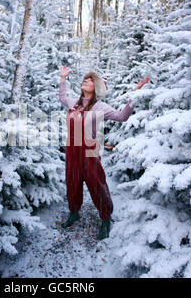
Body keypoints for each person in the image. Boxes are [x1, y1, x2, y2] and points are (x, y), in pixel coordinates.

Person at [59, 65, 150, 240]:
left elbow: (122, 116)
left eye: (91, 80)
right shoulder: (74, 103)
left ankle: (106, 218)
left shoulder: (100, 106)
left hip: (90, 149)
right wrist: (63, 78)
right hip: (72, 149)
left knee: (96, 183)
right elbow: (62, 97)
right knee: (72, 181)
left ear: (97, 87)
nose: (86, 81)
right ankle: (74, 212)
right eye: (85, 79)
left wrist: (134, 94)